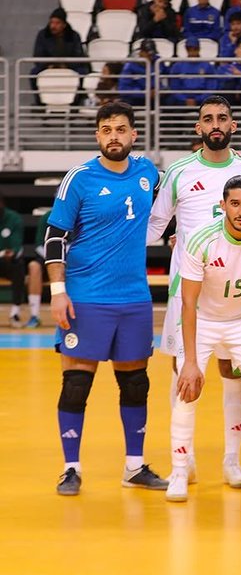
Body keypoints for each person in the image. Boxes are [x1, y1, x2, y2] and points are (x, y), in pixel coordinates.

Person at [46, 101, 167, 496]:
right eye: (106, 130)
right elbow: (54, 238)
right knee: (76, 385)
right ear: (97, 135)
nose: (114, 136)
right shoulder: (79, 178)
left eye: (120, 129)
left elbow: (179, 202)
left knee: (135, 384)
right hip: (86, 299)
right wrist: (58, 292)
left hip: (134, 299)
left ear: (134, 134)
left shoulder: (149, 172)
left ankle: (134, 466)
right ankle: (70, 469)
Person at [147, 96, 241, 490]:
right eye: (208, 119)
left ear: (233, 125)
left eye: (222, 118)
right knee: (183, 371)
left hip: (238, 294)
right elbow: (156, 225)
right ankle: (185, 462)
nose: (216, 124)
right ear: (198, 128)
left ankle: (232, 460)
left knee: (234, 371)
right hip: (189, 293)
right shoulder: (179, 171)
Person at [165, 175, 241, 503]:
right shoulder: (202, 238)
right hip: (203, 319)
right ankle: (179, 470)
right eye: (235, 204)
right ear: (223, 205)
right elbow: (188, 302)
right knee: (187, 388)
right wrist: (190, 361)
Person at [0, 193, 31, 326]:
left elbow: (16, 246)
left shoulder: (13, 218)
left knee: (19, 267)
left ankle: (15, 313)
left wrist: (12, 252)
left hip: (6, 262)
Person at [31, 8, 88, 76]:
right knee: (34, 73)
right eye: (51, 22)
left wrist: (66, 65)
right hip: (47, 66)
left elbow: (78, 56)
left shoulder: (74, 36)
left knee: (82, 72)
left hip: (70, 66)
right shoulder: (43, 35)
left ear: (64, 25)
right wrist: (48, 65)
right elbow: (38, 55)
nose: (53, 26)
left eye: (57, 23)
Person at [165, 38, 216, 106]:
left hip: (202, 97)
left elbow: (211, 86)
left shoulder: (207, 66)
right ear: (186, 49)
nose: (192, 51)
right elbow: (174, 86)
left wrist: (198, 99)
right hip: (182, 97)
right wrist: (184, 99)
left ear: (199, 49)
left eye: (195, 49)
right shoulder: (177, 66)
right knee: (169, 102)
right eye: (189, 49)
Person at [117, 39, 159, 107]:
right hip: (135, 98)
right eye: (148, 54)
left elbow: (165, 77)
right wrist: (144, 93)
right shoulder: (129, 65)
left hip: (155, 97)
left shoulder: (158, 62)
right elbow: (124, 89)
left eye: (152, 54)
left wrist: (160, 89)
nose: (151, 57)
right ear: (141, 52)